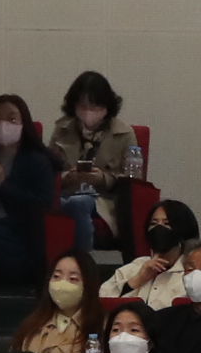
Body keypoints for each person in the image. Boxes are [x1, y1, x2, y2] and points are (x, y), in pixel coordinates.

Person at [0, 93, 61, 287]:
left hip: (19, 237)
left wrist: (3, 185)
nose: (3, 125)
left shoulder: (37, 161)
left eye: (11, 119)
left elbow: (42, 209)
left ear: (24, 124)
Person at [47, 71, 138, 255]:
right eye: (82, 106)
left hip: (104, 201)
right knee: (59, 205)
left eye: (95, 105)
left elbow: (133, 181)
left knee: (79, 203)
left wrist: (103, 179)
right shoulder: (62, 130)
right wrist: (68, 177)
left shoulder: (124, 134)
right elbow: (48, 172)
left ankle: (82, 262)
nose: (88, 111)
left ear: (107, 106)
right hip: (67, 194)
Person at [14, 250, 95, 353]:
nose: (62, 284)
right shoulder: (31, 325)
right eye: (56, 276)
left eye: (73, 279)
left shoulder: (100, 326)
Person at [101, 200, 201, 310]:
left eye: (166, 224)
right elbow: (102, 302)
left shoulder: (192, 274)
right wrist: (138, 280)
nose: (159, 228)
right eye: (153, 224)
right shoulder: (134, 267)